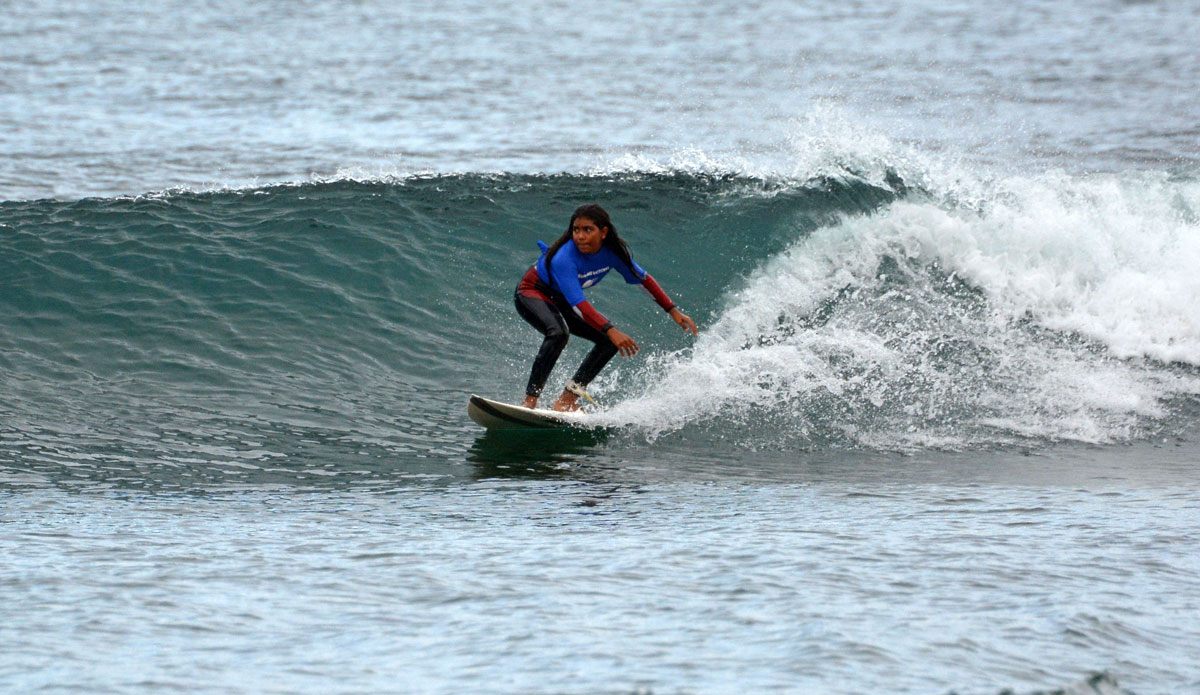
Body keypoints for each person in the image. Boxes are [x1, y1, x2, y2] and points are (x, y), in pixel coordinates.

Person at [514, 204, 698, 411]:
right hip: (533, 291)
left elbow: (643, 280)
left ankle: (567, 400)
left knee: (608, 343)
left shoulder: (613, 253)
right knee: (558, 333)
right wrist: (610, 328)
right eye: (576, 230)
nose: (580, 236)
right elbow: (578, 304)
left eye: (587, 230)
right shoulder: (564, 258)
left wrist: (672, 310)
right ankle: (530, 401)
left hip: (561, 298)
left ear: (604, 232)